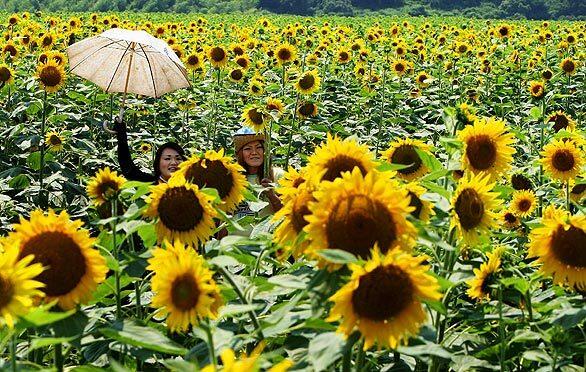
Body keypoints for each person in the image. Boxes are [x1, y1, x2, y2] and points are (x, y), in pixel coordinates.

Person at [111, 115, 186, 184]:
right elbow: (129, 169)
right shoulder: (150, 184)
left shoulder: (193, 187)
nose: (173, 162)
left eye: (178, 158)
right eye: (167, 158)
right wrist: (122, 137)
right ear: (158, 164)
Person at [232, 127, 283, 219]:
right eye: (248, 149)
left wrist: (272, 196)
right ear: (240, 154)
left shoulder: (277, 176)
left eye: (259, 147)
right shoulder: (233, 178)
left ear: (265, 151)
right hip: (235, 234)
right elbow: (225, 220)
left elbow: (288, 215)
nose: (254, 152)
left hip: (265, 233)